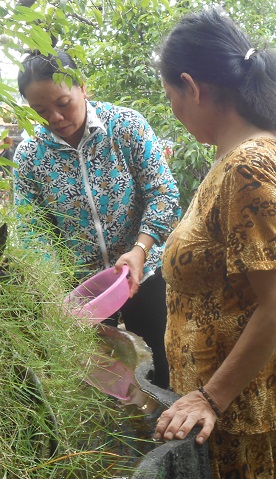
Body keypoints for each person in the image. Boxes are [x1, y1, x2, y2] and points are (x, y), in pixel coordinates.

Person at [152, 8, 276, 478]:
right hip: (256, 398)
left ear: (192, 87)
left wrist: (211, 397)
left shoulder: (246, 169)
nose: (174, 109)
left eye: (172, 96)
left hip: (235, 413)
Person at [13, 49, 181, 389]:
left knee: (165, 370)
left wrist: (140, 249)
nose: (55, 117)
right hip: (81, 293)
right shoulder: (30, 156)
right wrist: (53, 291)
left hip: (144, 274)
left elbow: (164, 194)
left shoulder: (126, 127)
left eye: (63, 103)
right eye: (41, 111)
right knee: (97, 382)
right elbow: (32, 230)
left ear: (83, 88)